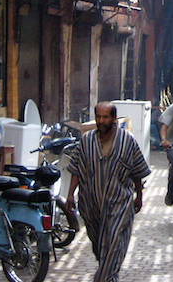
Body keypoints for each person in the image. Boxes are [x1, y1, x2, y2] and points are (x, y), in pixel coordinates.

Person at [66, 102, 150, 282]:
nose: (101, 121)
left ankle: (104, 278)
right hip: (90, 204)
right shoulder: (86, 141)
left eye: (105, 117)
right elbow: (76, 170)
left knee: (113, 243)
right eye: (98, 117)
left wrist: (139, 197)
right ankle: (109, 273)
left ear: (114, 118)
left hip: (119, 203)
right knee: (100, 247)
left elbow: (137, 172)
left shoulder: (127, 141)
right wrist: (70, 195)